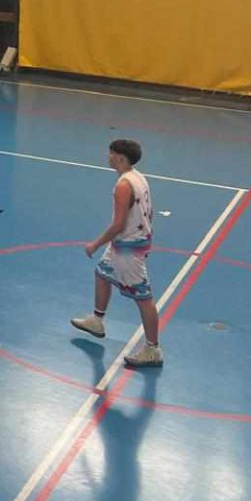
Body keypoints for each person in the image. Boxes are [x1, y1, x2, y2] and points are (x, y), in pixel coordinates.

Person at [70, 138, 162, 368]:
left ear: (120, 158)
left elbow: (118, 224)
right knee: (102, 273)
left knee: (144, 299)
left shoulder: (123, 186)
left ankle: (152, 349)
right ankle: (97, 320)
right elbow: (150, 211)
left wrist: (95, 243)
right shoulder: (138, 177)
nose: (107, 156)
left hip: (128, 247)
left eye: (110, 153)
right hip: (130, 242)